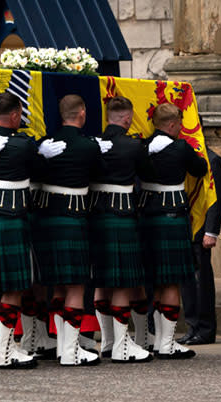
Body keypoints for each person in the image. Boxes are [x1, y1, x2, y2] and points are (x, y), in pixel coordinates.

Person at [0, 92, 58, 369]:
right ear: (15, 115)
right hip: (11, 219)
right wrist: (42, 154)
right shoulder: (23, 145)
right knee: (14, 286)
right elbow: (41, 170)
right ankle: (5, 351)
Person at [34, 94, 103, 366]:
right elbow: (101, 174)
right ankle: (71, 352)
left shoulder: (46, 144)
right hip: (73, 218)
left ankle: (64, 346)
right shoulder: (87, 146)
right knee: (76, 284)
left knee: (59, 287)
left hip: (47, 217)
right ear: (82, 113)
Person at [138, 102, 208, 359]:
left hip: (146, 216)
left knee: (155, 280)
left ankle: (157, 340)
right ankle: (166, 343)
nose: (180, 128)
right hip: (171, 217)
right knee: (171, 282)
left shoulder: (143, 147)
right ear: (171, 125)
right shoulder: (180, 147)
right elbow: (200, 169)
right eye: (179, 124)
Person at [89, 96, 153, 363]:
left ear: (108, 118)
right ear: (127, 119)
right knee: (124, 282)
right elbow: (148, 173)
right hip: (122, 215)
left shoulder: (92, 145)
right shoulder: (133, 146)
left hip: (95, 215)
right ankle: (121, 346)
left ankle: (109, 341)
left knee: (102, 279)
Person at [178, 146, 221, 346]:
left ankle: (205, 328)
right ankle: (192, 326)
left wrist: (211, 231)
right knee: (187, 281)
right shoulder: (185, 157)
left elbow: (216, 198)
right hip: (186, 226)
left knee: (202, 281)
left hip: (201, 229)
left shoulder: (213, 159)